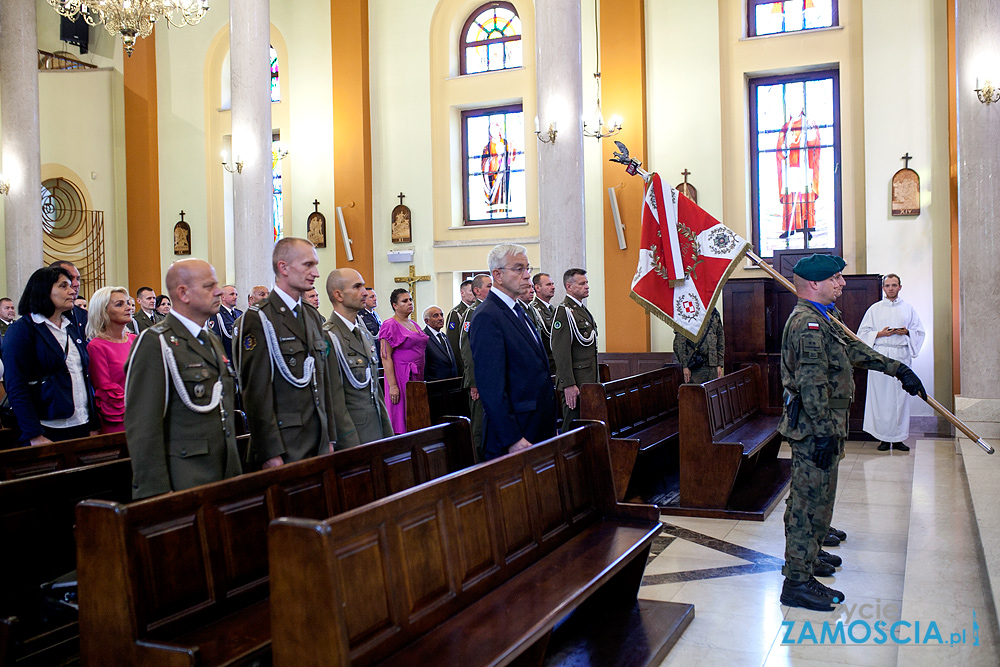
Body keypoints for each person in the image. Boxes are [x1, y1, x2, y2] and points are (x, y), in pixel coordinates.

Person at [777, 254, 926, 612]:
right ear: (815, 283)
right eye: (836, 278)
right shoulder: (807, 325)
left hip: (826, 427)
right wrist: (826, 432)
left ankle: (809, 559)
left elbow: (855, 351)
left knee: (821, 499)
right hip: (815, 430)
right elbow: (812, 387)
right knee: (807, 503)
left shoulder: (829, 319)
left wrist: (897, 368)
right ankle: (796, 581)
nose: (842, 283)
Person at [124, 259, 242, 499]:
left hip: (223, 471)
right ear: (183, 293)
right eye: (209, 286)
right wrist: (155, 491)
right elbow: (143, 424)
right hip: (186, 478)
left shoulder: (210, 339)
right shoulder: (155, 342)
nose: (218, 291)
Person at [235, 238, 338, 468]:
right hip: (285, 444)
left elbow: (322, 380)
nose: (316, 273)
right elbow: (255, 392)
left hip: (317, 440)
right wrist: (269, 451)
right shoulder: (258, 318)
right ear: (283, 267)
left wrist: (330, 436)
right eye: (308, 265)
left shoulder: (311, 315)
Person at [470, 244, 556, 459]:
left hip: (537, 424)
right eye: (519, 269)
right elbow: (491, 386)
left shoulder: (518, 310)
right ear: (497, 275)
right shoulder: (487, 316)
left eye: (528, 268)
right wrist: (512, 438)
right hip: (516, 433)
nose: (527, 276)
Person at [2, 266, 100, 445]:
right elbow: (16, 386)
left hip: (81, 424)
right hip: (47, 427)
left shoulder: (71, 326)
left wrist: (93, 423)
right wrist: (34, 435)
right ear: (43, 290)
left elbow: (83, 376)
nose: (72, 291)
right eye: (63, 286)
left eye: (71, 285)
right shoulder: (23, 330)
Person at [323, 269, 393, 447]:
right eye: (357, 287)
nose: (364, 292)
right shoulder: (329, 336)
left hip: (375, 432)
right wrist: (351, 445)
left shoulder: (364, 334)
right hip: (353, 437)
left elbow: (375, 390)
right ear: (338, 295)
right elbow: (334, 402)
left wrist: (387, 433)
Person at [857, 274, 926, 451]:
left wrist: (907, 332)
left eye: (894, 285)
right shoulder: (875, 309)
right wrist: (880, 334)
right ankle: (883, 438)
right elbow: (862, 333)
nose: (891, 288)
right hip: (881, 357)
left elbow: (919, 331)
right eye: (887, 285)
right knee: (881, 398)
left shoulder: (908, 309)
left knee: (900, 398)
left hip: (901, 355)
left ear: (900, 287)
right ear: (883, 288)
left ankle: (898, 439)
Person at [551, 268, 598, 427]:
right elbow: (560, 351)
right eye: (582, 283)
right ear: (569, 286)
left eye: (587, 283)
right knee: (571, 427)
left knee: (584, 425)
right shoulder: (564, 311)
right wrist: (568, 384)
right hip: (576, 381)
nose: (587, 286)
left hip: (588, 379)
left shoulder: (581, 310)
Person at [86, 287, 136, 433]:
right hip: (117, 418)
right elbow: (104, 389)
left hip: (143, 413)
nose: (129, 308)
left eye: (128, 303)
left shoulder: (135, 340)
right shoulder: (96, 346)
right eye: (119, 304)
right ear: (103, 311)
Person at [378, 288, 428, 434]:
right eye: (404, 301)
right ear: (395, 305)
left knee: (415, 415)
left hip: (416, 376)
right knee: (401, 414)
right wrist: (393, 385)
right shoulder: (390, 324)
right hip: (400, 376)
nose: (409, 303)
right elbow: (385, 357)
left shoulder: (413, 323)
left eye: (410, 300)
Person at [460, 274, 492, 454]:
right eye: (488, 286)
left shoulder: (490, 309)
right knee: (479, 428)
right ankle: (478, 464)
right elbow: (467, 350)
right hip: (479, 380)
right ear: (477, 291)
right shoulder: (473, 312)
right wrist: (473, 382)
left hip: (490, 378)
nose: (492, 289)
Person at [673, 309, 725, 384]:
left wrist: (719, 364)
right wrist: (685, 366)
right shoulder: (687, 313)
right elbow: (679, 343)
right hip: (695, 366)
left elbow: (720, 338)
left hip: (713, 364)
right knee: (695, 394)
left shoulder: (714, 312)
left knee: (711, 393)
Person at [528, 272, 557, 374]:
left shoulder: (553, 309)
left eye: (552, 284)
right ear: (537, 288)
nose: (553, 287)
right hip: (547, 363)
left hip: (555, 362)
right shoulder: (535, 310)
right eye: (548, 285)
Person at [49, 260, 88, 335]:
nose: (76, 284)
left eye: (78, 279)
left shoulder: (83, 315)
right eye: (70, 278)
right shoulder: (33, 321)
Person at [446, 279, 475, 376]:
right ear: (462, 293)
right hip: (463, 365)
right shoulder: (456, 313)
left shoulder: (476, 311)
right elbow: (454, 342)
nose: (474, 293)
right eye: (471, 291)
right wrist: (461, 367)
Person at [422, 305, 458, 381]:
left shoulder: (444, 337)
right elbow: (424, 365)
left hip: (451, 384)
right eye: (435, 316)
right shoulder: (423, 338)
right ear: (427, 321)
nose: (440, 318)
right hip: (435, 385)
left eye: (441, 315)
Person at [209, 284, 242, 361]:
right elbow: (216, 341)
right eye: (232, 294)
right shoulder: (216, 315)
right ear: (223, 297)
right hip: (228, 358)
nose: (235, 297)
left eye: (236, 294)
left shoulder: (240, 314)